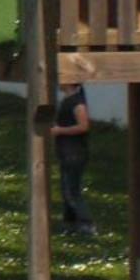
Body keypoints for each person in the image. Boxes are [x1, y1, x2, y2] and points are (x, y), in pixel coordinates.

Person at [51, 81, 95, 238]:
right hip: (66, 152)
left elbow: (83, 126)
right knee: (66, 189)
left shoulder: (77, 102)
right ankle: (70, 224)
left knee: (72, 190)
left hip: (75, 152)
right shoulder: (68, 100)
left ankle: (86, 224)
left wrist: (59, 130)